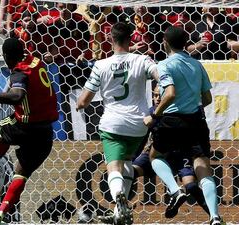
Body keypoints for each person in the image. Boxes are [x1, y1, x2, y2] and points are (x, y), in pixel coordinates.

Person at [0, 38, 58, 225]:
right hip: (46, 131)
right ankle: (1, 211)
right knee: (21, 173)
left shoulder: (19, 73)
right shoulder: (35, 60)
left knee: (2, 129)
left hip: (26, 124)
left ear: (6, 56)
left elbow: (17, 96)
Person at [76, 22, 158, 225]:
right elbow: (160, 75)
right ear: (131, 39)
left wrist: (79, 104)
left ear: (110, 39)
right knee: (127, 163)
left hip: (114, 125)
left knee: (114, 168)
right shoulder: (141, 60)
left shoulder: (101, 65)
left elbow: (84, 100)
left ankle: (119, 198)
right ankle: (119, 211)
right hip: (139, 125)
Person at [143, 26, 223, 225]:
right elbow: (206, 98)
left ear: (165, 42)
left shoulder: (164, 64)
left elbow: (169, 94)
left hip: (172, 121)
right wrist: (190, 106)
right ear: (186, 43)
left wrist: (156, 114)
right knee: (202, 166)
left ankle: (175, 190)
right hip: (196, 120)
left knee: (155, 156)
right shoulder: (197, 64)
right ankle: (214, 216)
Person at [132, 85, 209, 218]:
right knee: (130, 172)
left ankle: (214, 216)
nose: (156, 99)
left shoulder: (179, 113)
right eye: (154, 95)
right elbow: (143, 138)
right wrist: (132, 158)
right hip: (156, 152)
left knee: (190, 186)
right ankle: (121, 208)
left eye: (159, 95)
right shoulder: (152, 113)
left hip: (180, 154)